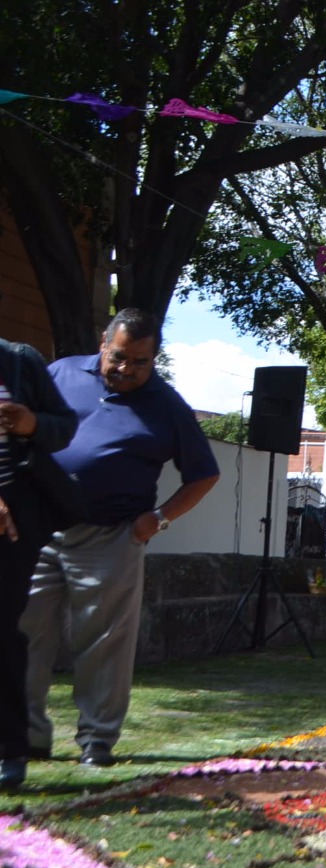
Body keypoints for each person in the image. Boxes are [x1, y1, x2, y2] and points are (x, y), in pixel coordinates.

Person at [23, 309, 221, 767]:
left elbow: (203, 474)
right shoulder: (59, 374)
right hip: (37, 529)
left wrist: (159, 518)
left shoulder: (167, 405)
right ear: (102, 343)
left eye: (140, 362)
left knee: (104, 644)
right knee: (20, 634)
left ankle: (96, 740)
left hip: (110, 536)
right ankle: (23, 736)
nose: (127, 369)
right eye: (119, 357)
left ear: (155, 359)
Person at [0, 338, 77, 789]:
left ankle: (11, 749)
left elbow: (64, 426)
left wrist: (31, 424)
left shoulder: (20, 362)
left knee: (3, 633)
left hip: (12, 531)